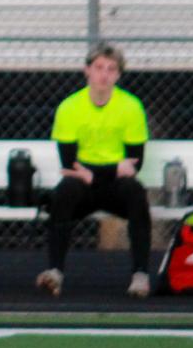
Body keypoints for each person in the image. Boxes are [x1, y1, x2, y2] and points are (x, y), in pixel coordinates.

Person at [38, 43, 153, 298]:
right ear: (87, 71)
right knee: (64, 191)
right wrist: (111, 169)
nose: (104, 74)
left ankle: (140, 274)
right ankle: (54, 272)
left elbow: (136, 163)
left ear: (118, 75)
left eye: (111, 69)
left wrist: (92, 172)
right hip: (83, 187)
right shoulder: (70, 107)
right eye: (99, 68)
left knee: (136, 193)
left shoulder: (131, 106)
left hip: (114, 188)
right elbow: (69, 164)